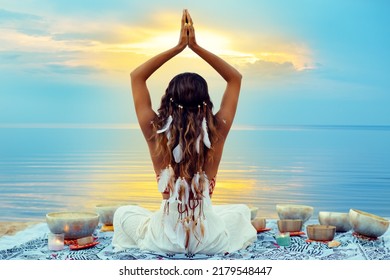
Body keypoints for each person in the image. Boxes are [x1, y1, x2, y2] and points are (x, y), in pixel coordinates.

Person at [112, 9, 257, 255]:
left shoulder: (154, 130)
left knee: (122, 213)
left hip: (164, 240)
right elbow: (235, 78)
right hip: (208, 240)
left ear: (168, 99)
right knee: (240, 212)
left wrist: (179, 47)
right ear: (206, 101)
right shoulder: (218, 129)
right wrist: (196, 47)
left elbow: (137, 76)